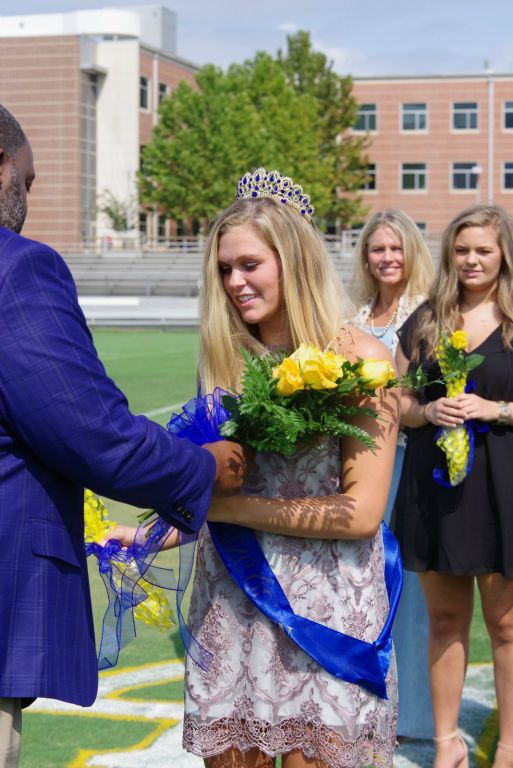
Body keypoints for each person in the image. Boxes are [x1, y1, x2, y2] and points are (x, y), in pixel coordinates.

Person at [0, 105, 246, 768]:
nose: (29, 200)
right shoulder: (17, 268)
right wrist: (205, 468)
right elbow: (91, 433)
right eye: (28, 180)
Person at [177, 168, 399, 768]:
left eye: (249, 265)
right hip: (232, 598)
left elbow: (362, 512)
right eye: (225, 269)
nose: (234, 283)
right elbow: (209, 485)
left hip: (325, 605)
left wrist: (227, 508)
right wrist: (149, 531)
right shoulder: (223, 362)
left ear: (293, 261)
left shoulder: (363, 360)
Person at [391, 204, 513, 768]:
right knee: (444, 620)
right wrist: (427, 410)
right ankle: (447, 744)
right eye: (462, 250)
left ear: (503, 254)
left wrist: (496, 409)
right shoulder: (426, 320)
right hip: (435, 487)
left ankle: (509, 745)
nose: (471, 260)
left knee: (506, 625)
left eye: (483, 250)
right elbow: (396, 402)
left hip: (503, 486)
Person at [352, 209, 434, 740]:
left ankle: (413, 714)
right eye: (378, 249)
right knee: (360, 585)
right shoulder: (352, 314)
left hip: (406, 462)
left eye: (396, 248)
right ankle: (361, 703)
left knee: (406, 587)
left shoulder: (427, 314)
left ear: (412, 252)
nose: (387, 258)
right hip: (355, 462)